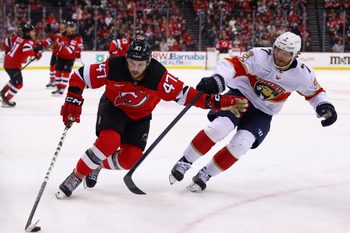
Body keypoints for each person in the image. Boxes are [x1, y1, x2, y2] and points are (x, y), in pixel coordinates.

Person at [55, 34, 248, 198]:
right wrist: (73, 99)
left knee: (129, 159)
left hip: (140, 117)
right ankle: (77, 176)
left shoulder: (159, 77)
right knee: (109, 142)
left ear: (148, 62)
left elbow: (189, 96)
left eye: (140, 64)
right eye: (131, 63)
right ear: (126, 59)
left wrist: (226, 102)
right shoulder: (113, 67)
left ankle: (97, 165)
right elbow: (80, 76)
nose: (135, 69)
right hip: (114, 108)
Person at [169, 31, 338, 192]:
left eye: (286, 53)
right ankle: (185, 162)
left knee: (241, 144)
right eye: (277, 50)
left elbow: (316, 93)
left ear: (295, 55)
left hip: (263, 112)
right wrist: (218, 79)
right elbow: (230, 64)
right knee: (218, 128)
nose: (279, 56)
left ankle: (205, 174)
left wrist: (324, 106)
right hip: (239, 97)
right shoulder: (259, 55)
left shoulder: (302, 74)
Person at [1, 24, 42, 107]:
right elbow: (30, 52)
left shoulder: (17, 37)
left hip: (8, 62)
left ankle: (2, 93)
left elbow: (5, 42)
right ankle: (6, 100)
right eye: (32, 31)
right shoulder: (26, 43)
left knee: (14, 80)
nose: (34, 33)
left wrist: (7, 52)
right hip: (13, 65)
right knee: (19, 84)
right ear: (27, 33)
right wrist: (37, 54)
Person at [51, 21, 80, 96]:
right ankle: (58, 88)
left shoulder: (75, 38)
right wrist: (57, 47)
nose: (69, 29)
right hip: (60, 57)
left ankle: (62, 90)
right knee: (58, 72)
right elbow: (57, 45)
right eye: (68, 27)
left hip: (69, 59)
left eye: (71, 27)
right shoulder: (62, 36)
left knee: (66, 73)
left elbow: (69, 51)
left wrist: (59, 49)